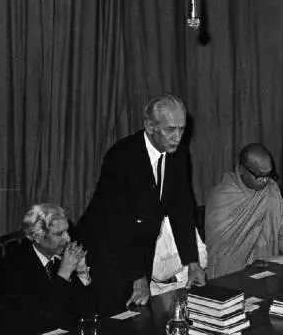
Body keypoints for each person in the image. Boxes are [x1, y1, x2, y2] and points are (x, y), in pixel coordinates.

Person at [76, 93, 205, 313]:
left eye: (181, 129)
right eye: (170, 129)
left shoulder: (178, 154)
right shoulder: (122, 157)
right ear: (150, 126)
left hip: (137, 249)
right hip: (106, 250)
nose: (177, 137)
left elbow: (181, 209)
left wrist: (192, 262)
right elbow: (117, 224)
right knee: (115, 318)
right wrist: (137, 276)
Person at [0, 203, 91, 335]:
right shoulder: (14, 266)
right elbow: (41, 320)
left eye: (67, 231)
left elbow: (85, 310)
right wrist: (63, 274)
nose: (67, 238)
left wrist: (81, 272)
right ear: (38, 237)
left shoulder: (59, 256)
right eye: (59, 234)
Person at [204, 143, 283, 279]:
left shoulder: (271, 190)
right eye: (259, 176)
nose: (264, 181)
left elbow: (282, 235)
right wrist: (249, 265)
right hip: (232, 279)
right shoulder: (221, 197)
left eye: (268, 175)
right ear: (241, 169)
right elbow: (220, 255)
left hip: (267, 275)